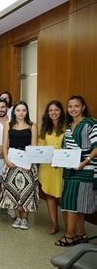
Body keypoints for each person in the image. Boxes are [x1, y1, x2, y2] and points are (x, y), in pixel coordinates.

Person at [55, 96, 96, 246]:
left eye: (76, 106)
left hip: (85, 168)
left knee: (73, 202)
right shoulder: (68, 126)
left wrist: (85, 162)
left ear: (83, 107)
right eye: (70, 106)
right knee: (75, 202)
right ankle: (81, 234)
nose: (73, 109)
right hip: (70, 169)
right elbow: (64, 149)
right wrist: (58, 161)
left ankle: (70, 235)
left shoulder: (91, 123)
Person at [1, 101, 38, 230]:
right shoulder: (8, 125)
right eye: (18, 110)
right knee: (13, 190)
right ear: (14, 112)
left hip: (27, 163)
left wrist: (28, 163)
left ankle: (25, 219)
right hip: (11, 162)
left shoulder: (32, 125)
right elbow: (5, 144)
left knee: (27, 191)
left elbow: (34, 146)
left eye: (23, 110)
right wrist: (6, 159)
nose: (21, 113)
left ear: (27, 112)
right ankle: (17, 217)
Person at [38, 100, 65, 235]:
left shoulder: (68, 127)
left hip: (63, 167)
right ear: (47, 113)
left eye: (56, 110)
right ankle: (54, 224)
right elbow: (40, 147)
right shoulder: (45, 129)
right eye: (50, 110)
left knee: (64, 197)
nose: (53, 113)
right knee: (50, 196)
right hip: (48, 167)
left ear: (61, 111)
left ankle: (70, 227)